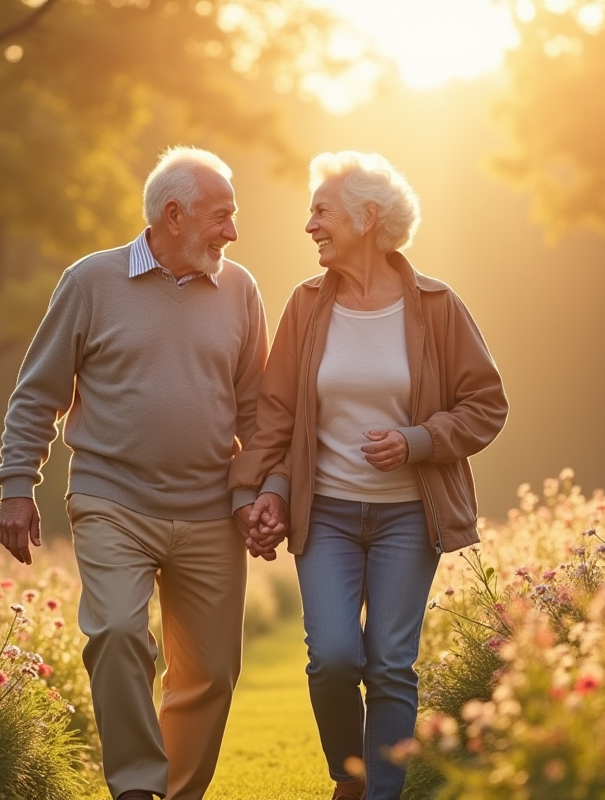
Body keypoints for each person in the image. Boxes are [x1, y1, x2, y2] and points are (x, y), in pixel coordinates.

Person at [229, 151, 508, 800]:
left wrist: (417, 441)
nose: (309, 226)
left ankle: (379, 793)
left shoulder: (438, 306)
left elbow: (486, 405)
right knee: (332, 657)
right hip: (323, 513)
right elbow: (276, 415)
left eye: (321, 212)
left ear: (368, 218)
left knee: (389, 663)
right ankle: (349, 774)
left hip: (408, 517)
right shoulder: (305, 305)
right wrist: (261, 491)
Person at [0, 146, 269, 800]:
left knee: (210, 674)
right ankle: (138, 790)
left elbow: (258, 409)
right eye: (221, 215)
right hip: (111, 499)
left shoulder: (241, 290)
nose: (233, 232)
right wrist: (15, 485)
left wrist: (258, 490)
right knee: (118, 632)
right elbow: (39, 393)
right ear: (173, 215)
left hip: (210, 508)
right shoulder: (91, 282)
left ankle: (177, 793)